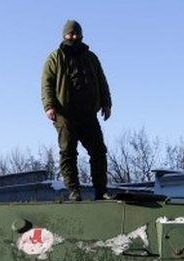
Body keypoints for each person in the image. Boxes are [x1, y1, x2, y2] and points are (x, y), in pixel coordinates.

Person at [41, 19, 112, 201]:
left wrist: (106, 103)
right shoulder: (55, 57)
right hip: (65, 113)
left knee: (98, 151)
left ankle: (100, 191)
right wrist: (49, 106)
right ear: (64, 35)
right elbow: (47, 83)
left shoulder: (91, 57)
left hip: (88, 113)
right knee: (68, 152)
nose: (73, 36)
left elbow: (102, 81)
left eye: (76, 33)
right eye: (70, 33)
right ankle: (74, 190)